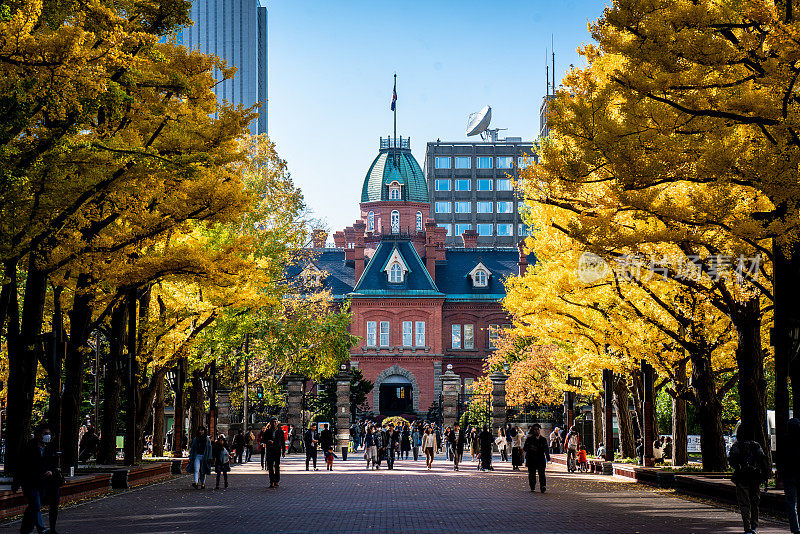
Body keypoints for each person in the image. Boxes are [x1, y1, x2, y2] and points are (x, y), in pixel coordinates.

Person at [13, 423, 62, 534]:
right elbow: (21, 466)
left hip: (44, 483)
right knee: (36, 504)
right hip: (30, 482)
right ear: (38, 435)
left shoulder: (50, 448)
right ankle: (41, 529)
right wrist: (16, 482)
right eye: (45, 434)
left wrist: (51, 471)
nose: (47, 436)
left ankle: (26, 529)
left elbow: (54, 465)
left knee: (33, 506)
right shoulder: (28, 447)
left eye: (49, 434)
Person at [728, 425, 770, 534]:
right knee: (755, 503)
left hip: (741, 477)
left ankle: (747, 527)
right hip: (755, 477)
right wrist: (765, 476)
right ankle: (754, 526)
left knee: (744, 503)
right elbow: (763, 460)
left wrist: (739, 466)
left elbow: (732, 461)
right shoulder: (756, 446)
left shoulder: (737, 445)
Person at [523, 424, 551, 493]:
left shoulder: (543, 439)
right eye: (535, 429)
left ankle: (543, 486)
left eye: (538, 429)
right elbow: (525, 448)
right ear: (533, 431)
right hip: (531, 459)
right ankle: (532, 486)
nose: (537, 431)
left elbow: (546, 449)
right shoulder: (529, 439)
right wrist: (530, 447)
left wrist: (548, 458)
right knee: (532, 474)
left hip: (540, 458)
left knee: (542, 473)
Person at [784, 418, 800, 534]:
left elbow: (781, 460)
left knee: (791, 503)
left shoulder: (785, 440)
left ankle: (795, 528)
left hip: (789, 476)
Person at [264, 417, 285, 488]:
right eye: (273, 422)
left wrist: (284, 451)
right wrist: (268, 441)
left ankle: (276, 481)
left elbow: (282, 441)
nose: (275, 423)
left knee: (277, 466)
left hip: (277, 450)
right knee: (270, 466)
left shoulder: (280, 431)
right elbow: (263, 440)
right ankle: (271, 481)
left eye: (276, 422)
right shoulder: (267, 431)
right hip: (270, 450)